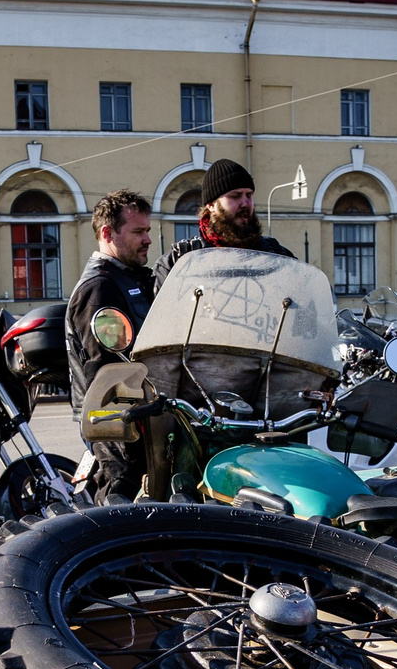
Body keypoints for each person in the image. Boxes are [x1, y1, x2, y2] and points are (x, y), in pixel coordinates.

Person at [66, 188, 158, 502]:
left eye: (148, 231)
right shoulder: (100, 289)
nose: (147, 239)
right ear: (108, 233)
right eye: (138, 232)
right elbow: (107, 373)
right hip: (118, 428)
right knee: (120, 510)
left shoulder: (131, 279)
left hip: (139, 420)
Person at [158, 159, 294, 275]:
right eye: (235, 196)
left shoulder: (277, 255)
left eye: (249, 195)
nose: (245, 203)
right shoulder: (179, 261)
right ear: (211, 205)